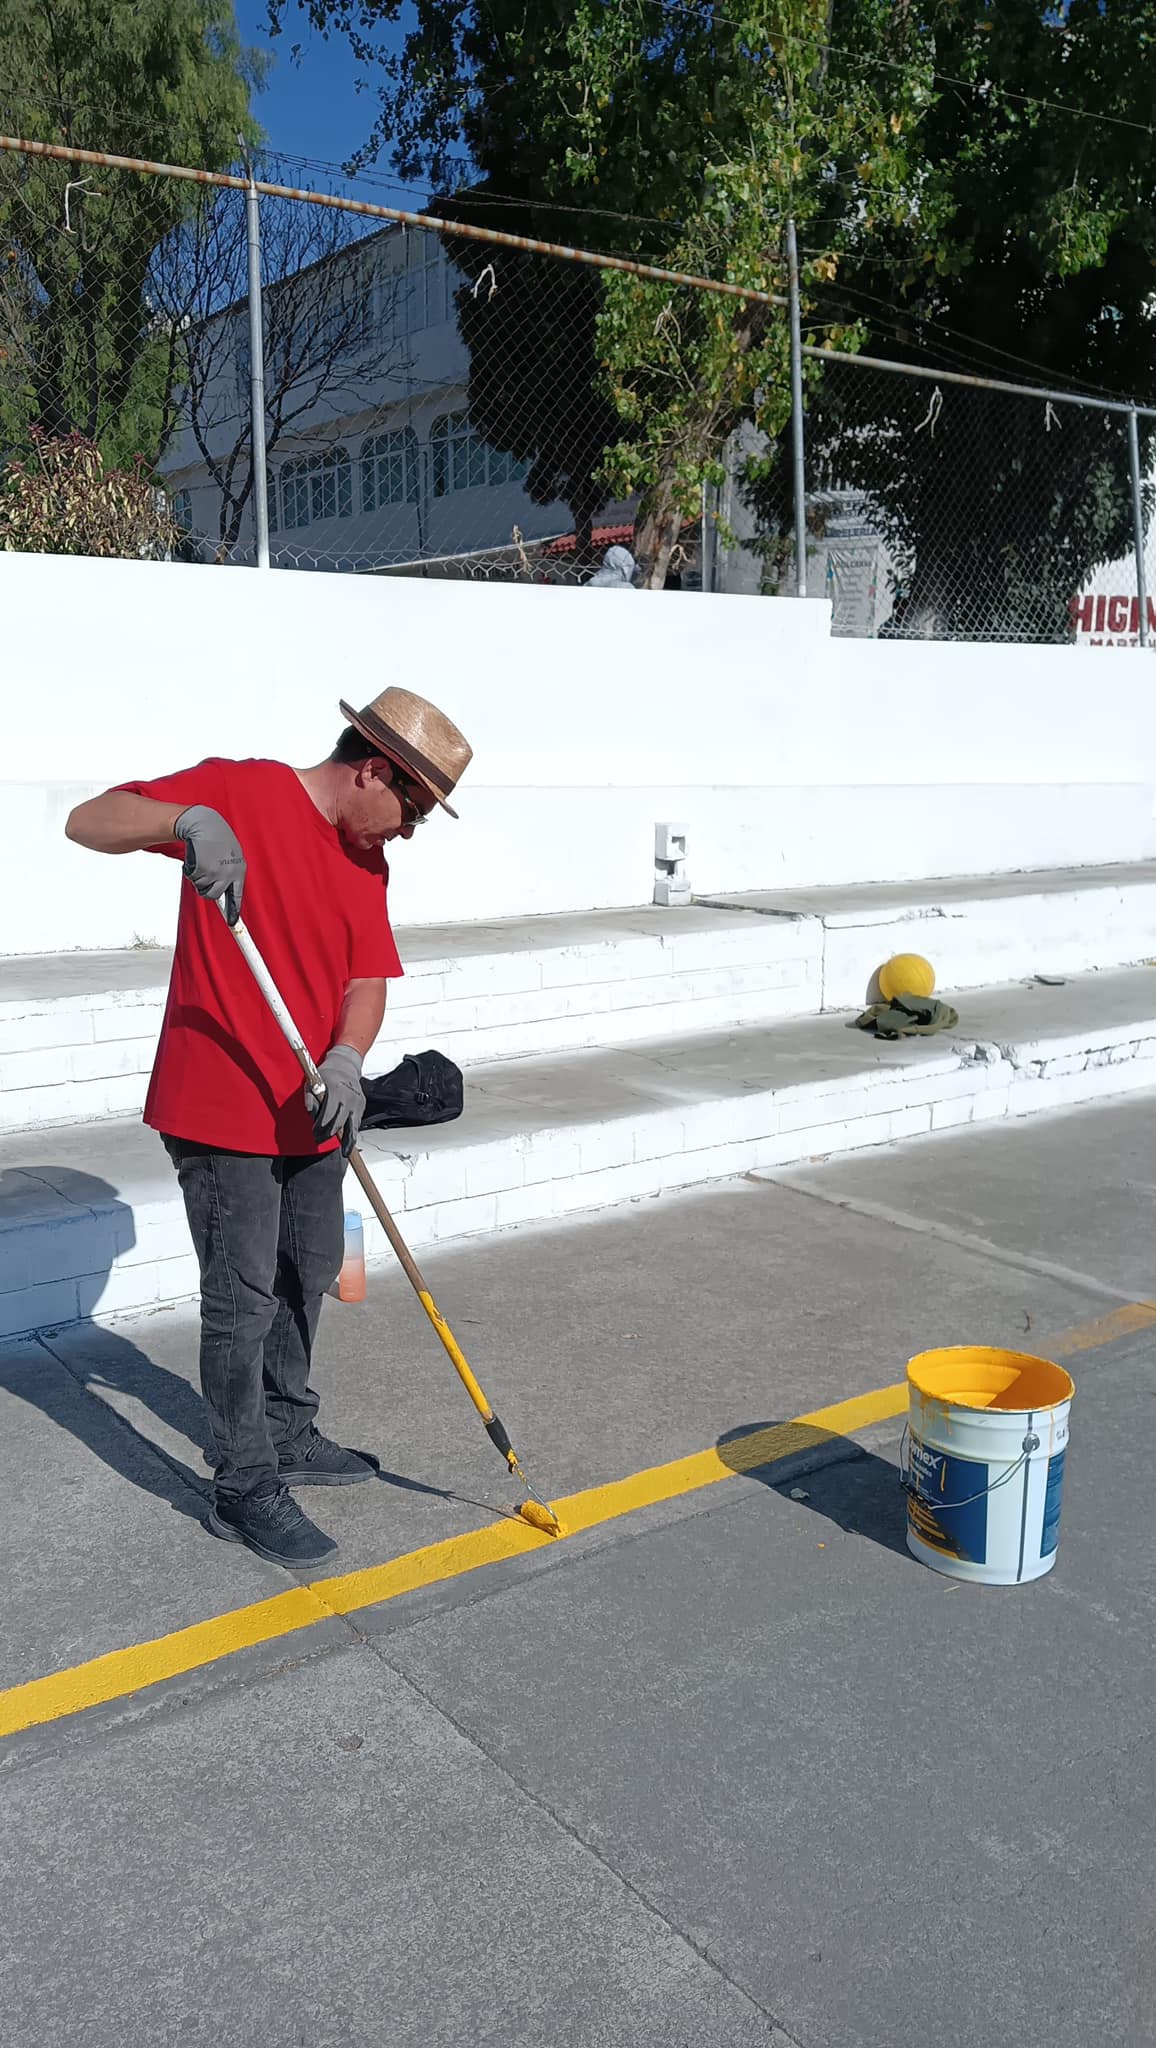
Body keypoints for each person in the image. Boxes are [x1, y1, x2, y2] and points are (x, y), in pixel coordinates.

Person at [65, 688, 473, 1570]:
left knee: (312, 1270)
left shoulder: (368, 865)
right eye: (412, 810)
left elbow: (367, 979)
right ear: (373, 768)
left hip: (312, 1105)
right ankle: (242, 1484)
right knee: (241, 1300)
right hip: (222, 1107)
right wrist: (188, 820)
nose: (408, 833)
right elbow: (86, 821)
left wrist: (348, 1059)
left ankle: (288, 1430)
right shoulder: (239, 793)